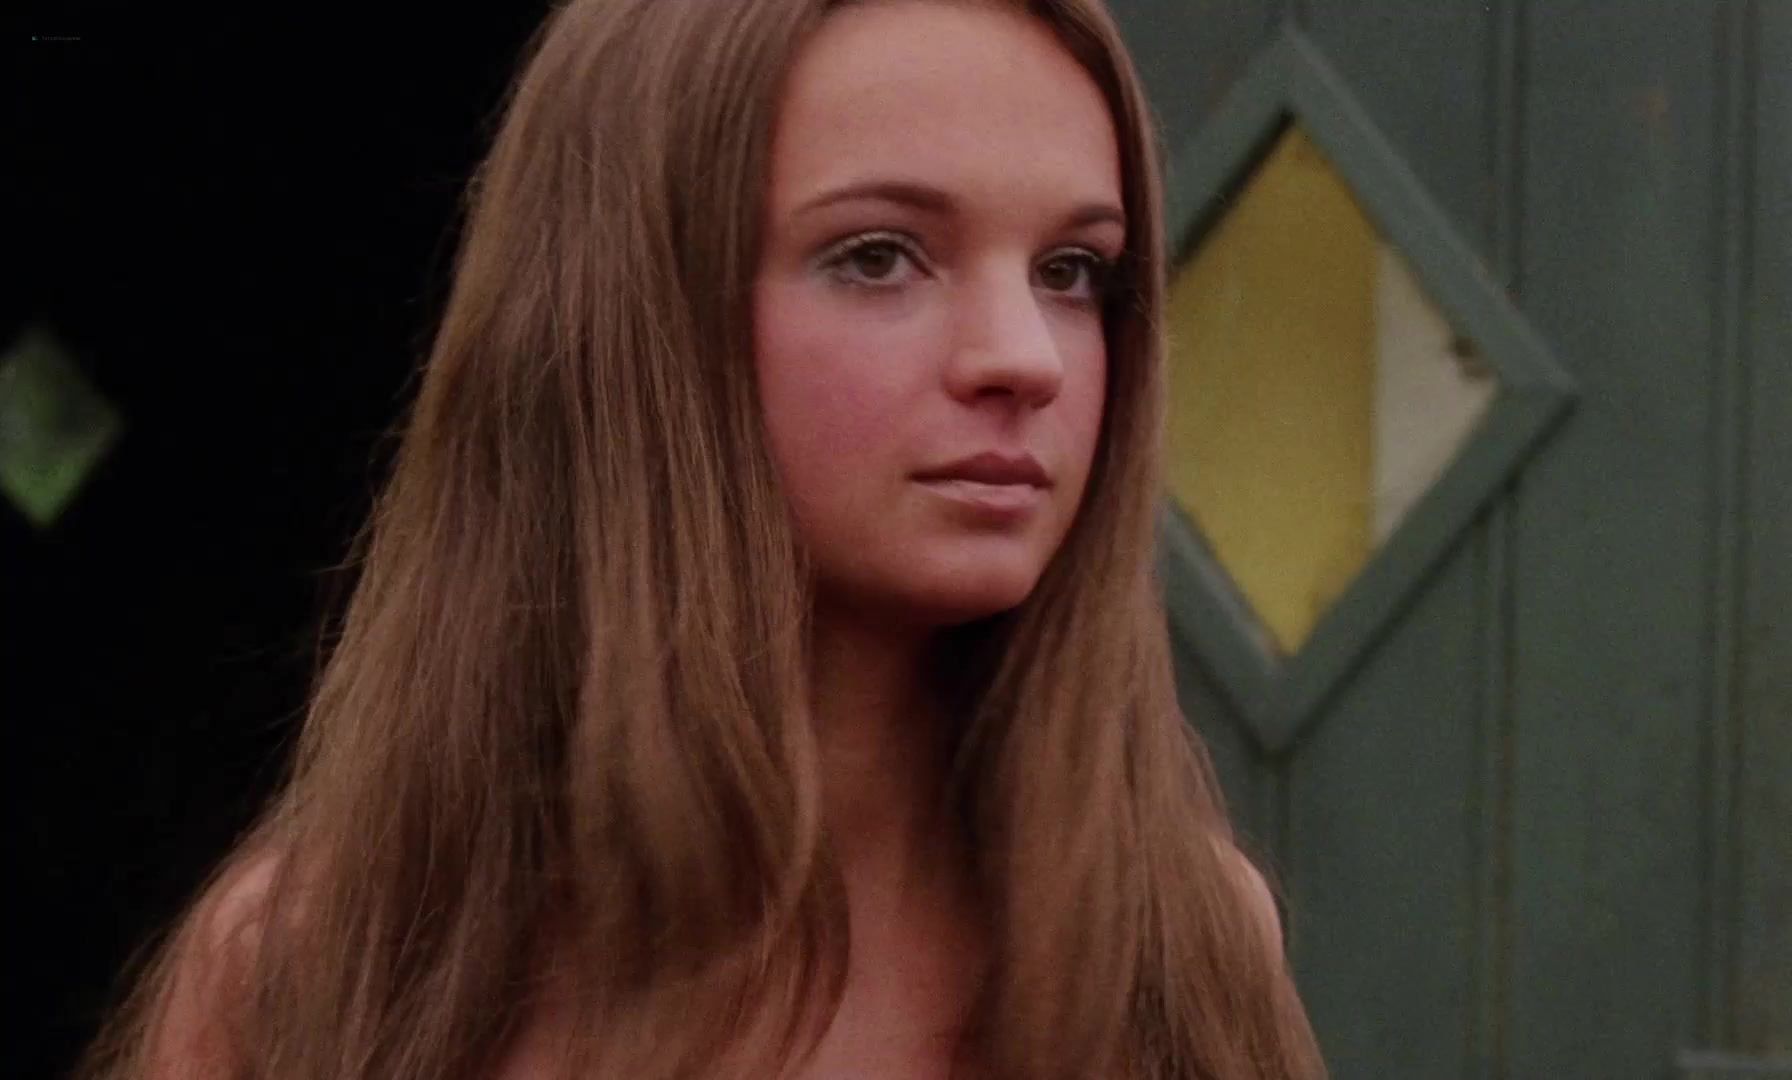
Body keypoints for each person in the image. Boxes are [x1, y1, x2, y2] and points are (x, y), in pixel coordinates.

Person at [78, 0, 1326, 1077]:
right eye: (879, 256)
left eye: (1071, 270)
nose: (1023, 356)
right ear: (635, 317)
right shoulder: (328, 967)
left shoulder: (1179, 951)